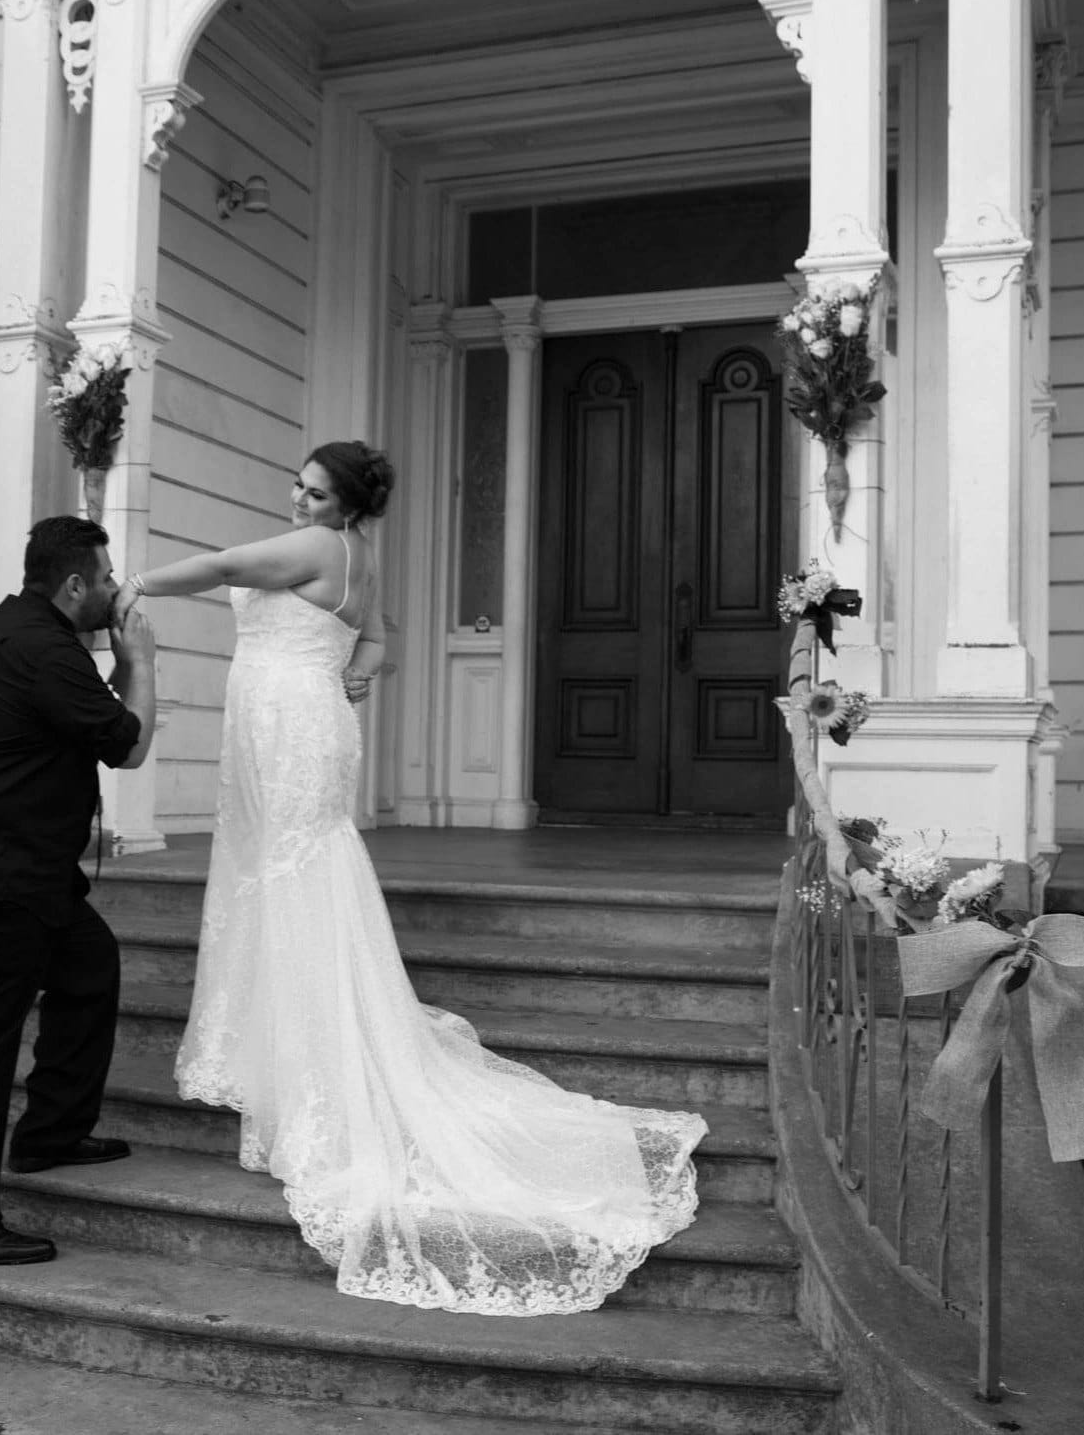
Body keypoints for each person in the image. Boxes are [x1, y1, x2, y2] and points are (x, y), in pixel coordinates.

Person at [112, 441, 707, 1316]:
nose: (297, 498)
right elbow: (380, 636)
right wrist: (356, 670)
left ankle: (312, 1061)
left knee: (289, 874)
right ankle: (293, 1044)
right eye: (297, 483)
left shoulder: (318, 547)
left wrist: (127, 586)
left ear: (345, 505)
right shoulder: (362, 554)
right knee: (291, 870)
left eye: (314, 492)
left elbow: (223, 564)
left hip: (286, 722)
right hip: (297, 713)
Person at [0, 515, 156, 1267]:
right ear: (75, 584)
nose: (114, 590)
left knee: (89, 968)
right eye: (107, 578)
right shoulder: (42, 647)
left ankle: (49, 1133)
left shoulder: (30, 636)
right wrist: (140, 657)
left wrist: (115, 667)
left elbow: (93, 715)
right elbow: (131, 744)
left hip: (21, 870)